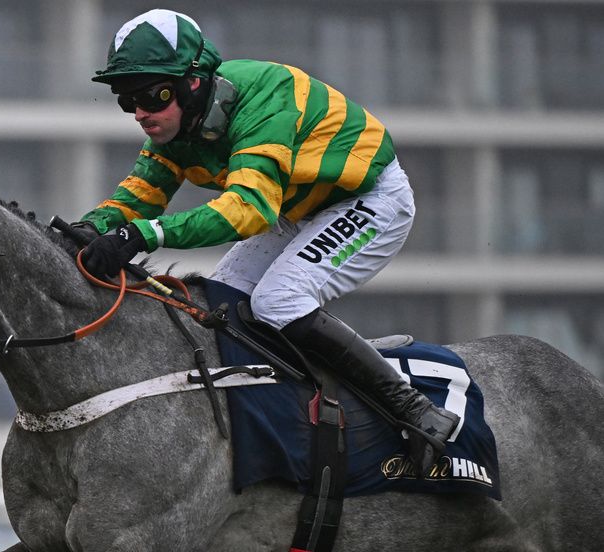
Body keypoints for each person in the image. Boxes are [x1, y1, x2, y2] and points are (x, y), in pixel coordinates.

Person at [71, 8, 458, 476]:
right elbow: (137, 198)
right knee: (224, 301)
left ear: (194, 82)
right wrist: (86, 230)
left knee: (278, 300)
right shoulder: (175, 128)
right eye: (127, 99)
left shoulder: (264, 97)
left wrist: (145, 234)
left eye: (154, 95)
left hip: (369, 199)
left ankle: (416, 410)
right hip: (296, 210)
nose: (140, 113)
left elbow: (249, 210)